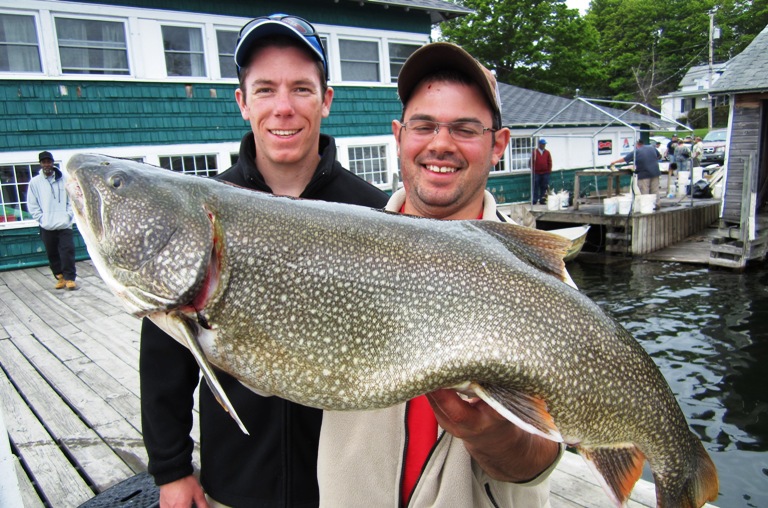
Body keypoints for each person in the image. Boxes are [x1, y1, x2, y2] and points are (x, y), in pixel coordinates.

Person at [139, 13, 389, 508]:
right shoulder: (202, 212)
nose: (283, 108)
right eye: (265, 89)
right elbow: (165, 358)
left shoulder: (375, 213)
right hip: (236, 484)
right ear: (242, 102)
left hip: (348, 487)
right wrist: (170, 469)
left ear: (326, 100)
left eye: (301, 89)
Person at [317, 42, 563, 507]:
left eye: (465, 129)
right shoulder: (338, 249)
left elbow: (540, 461)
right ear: (398, 134)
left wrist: (492, 436)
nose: (440, 143)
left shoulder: (540, 274)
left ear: (499, 145)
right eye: (424, 125)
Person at [27, 151, 77, 290]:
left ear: (53, 162)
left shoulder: (65, 179)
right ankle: (59, 276)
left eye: (49, 161)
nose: (47, 164)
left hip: (64, 224)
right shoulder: (35, 182)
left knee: (68, 251)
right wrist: (42, 219)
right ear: (40, 164)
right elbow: (32, 204)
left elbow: (72, 199)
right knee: (52, 252)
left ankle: (70, 278)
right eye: (44, 162)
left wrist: (68, 216)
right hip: (47, 225)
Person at [530, 138, 553, 205]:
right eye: (543, 144)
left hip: (545, 173)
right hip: (537, 173)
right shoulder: (535, 152)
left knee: (544, 186)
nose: (544, 145)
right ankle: (534, 200)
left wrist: (549, 171)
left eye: (544, 144)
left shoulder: (547, 152)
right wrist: (533, 170)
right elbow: (531, 162)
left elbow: (549, 162)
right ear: (539, 144)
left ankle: (542, 200)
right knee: (535, 186)